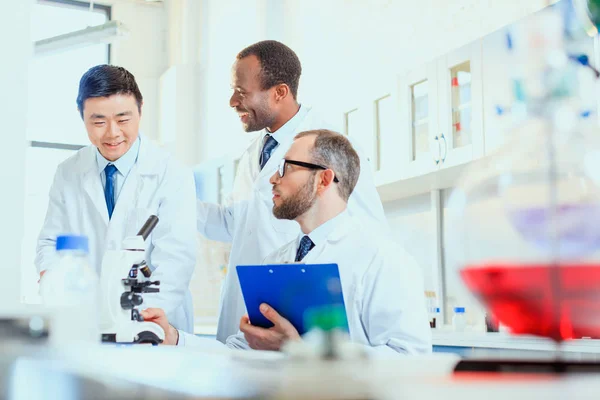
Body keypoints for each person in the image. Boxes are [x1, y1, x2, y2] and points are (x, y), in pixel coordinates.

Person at [143, 130, 431, 354]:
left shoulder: (382, 259)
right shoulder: (276, 261)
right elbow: (241, 351)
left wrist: (301, 350)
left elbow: (409, 359)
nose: (272, 179)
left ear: (324, 179)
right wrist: (176, 338)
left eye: (286, 168)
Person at [197, 40, 388, 343]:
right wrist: (177, 200)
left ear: (280, 92)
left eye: (242, 92)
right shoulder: (254, 152)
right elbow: (236, 224)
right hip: (251, 310)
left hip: (299, 312)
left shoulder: (331, 146)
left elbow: (372, 232)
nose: (233, 101)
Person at [36, 64, 197, 332]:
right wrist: (57, 286)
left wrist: (135, 320)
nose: (112, 133)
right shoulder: (68, 173)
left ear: (140, 110)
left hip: (155, 322)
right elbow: (50, 243)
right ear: (81, 115)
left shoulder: (172, 174)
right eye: (98, 121)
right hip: (85, 320)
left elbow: (176, 261)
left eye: (123, 119)